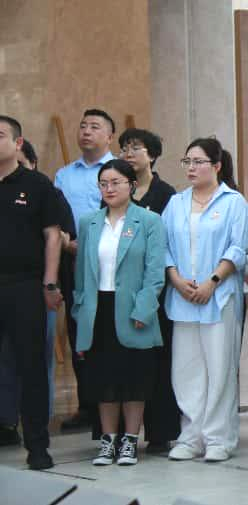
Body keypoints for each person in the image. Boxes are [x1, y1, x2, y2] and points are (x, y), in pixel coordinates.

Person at [163, 137, 248, 462]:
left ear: (216, 166)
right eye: (187, 161)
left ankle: (218, 438)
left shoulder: (233, 203)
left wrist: (212, 282)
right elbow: (164, 246)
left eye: (198, 161)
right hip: (183, 297)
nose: (191, 167)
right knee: (186, 369)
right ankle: (191, 436)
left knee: (219, 367)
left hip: (220, 296)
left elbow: (239, 248)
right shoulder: (176, 203)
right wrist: (175, 279)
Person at [72, 159, 166, 466]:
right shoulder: (89, 222)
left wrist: (144, 308)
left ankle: (130, 441)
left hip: (134, 309)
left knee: (134, 377)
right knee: (103, 377)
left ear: (131, 185)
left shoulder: (149, 221)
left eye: (115, 182)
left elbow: (155, 272)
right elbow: (80, 273)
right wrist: (79, 308)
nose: (109, 189)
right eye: (103, 184)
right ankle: (107, 440)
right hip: (97, 308)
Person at [0, 115, 62, 470]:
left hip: (25, 286)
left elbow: (52, 235)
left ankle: (38, 445)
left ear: (18, 143)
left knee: (31, 366)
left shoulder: (37, 184)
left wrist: (50, 283)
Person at [54, 108, 117, 431]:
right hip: (73, 258)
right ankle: (86, 404)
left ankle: (114, 403)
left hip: (110, 260)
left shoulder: (118, 170)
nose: (86, 131)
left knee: (108, 329)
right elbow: (56, 214)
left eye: (95, 126)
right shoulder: (65, 175)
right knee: (79, 328)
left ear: (109, 136)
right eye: (82, 126)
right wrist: (68, 243)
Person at [118, 128, 179, 453]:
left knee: (158, 359)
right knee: (121, 360)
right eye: (124, 148)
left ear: (152, 155)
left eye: (136, 148)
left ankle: (160, 431)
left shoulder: (166, 194)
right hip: (120, 287)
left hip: (156, 288)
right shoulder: (117, 190)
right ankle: (117, 433)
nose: (128, 154)